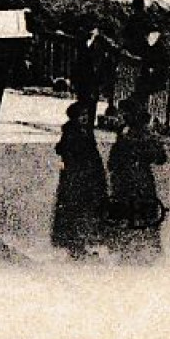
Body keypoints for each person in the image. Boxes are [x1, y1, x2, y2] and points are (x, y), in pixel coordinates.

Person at [106, 103, 167, 264]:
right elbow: (161, 158)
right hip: (139, 180)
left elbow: (112, 163)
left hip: (127, 181)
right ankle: (142, 250)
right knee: (142, 212)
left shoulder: (125, 135)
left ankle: (126, 249)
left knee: (128, 213)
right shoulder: (145, 136)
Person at [50, 98, 107, 260]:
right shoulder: (73, 133)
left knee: (83, 211)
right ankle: (75, 245)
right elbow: (69, 154)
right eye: (82, 115)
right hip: (77, 179)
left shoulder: (84, 132)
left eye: (87, 115)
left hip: (85, 177)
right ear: (75, 117)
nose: (85, 118)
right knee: (76, 210)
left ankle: (79, 244)